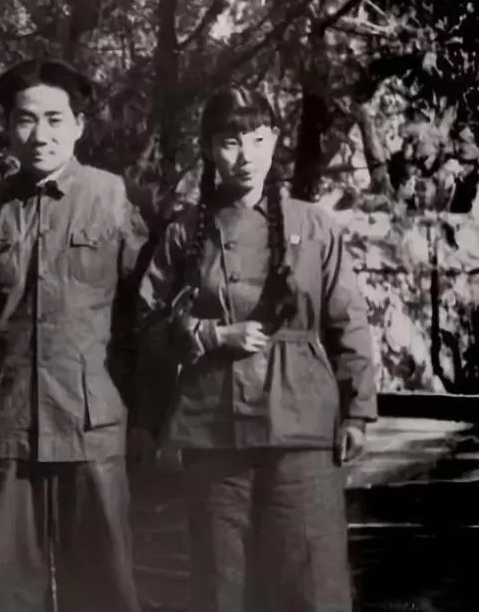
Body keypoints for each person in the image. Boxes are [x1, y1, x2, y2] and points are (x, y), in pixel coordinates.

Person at [131, 87, 377, 612]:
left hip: (301, 425)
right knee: (221, 585)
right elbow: (146, 324)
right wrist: (209, 335)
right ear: (208, 148)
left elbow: (348, 321)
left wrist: (357, 411)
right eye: (230, 141)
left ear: (276, 141)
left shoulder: (314, 225)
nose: (247, 155)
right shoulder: (183, 232)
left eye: (259, 139)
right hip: (214, 428)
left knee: (309, 579)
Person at [0, 59, 148, 612]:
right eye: (26, 119)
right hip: (5, 426)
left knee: (105, 592)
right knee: (4, 594)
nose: (41, 135)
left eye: (56, 119)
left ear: (79, 125)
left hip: (92, 425)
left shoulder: (113, 198)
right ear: (7, 126)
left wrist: (143, 415)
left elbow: (142, 317)